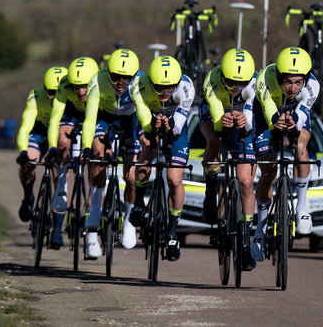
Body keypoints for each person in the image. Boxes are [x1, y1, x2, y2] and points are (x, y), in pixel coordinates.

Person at [251, 47, 321, 261]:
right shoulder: (263, 79)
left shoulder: (313, 86)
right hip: (265, 113)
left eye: (298, 82)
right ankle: (260, 229)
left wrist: (293, 123)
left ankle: (301, 207)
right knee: (268, 172)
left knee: (300, 145)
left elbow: (301, 114)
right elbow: (267, 107)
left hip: (293, 113)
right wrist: (275, 119)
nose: (293, 88)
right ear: (279, 76)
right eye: (288, 81)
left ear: (306, 79)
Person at [128, 55, 196, 262]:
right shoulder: (137, 86)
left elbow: (177, 129)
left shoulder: (186, 88)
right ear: (150, 83)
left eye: (169, 89)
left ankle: (173, 232)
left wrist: (169, 127)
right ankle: (139, 201)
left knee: (174, 180)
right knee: (148, 146)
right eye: (159, 88)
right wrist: (154, 126)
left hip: (175, 122)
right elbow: (143, 120)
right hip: (148, 117)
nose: (165, 93)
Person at [79, 48, 144, 257]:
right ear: (108, 73)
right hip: (104, 118)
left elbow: (143, 112)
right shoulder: (97, 81)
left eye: (126, 78)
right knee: (99, 157)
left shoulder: (140, 83)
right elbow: (89, 118)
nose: (120, 82)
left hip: (131, 121)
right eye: (115, 76)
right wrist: (87, 147)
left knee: (131, 176)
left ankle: (128, 221)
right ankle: (96, 210)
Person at [199, 48, 259, 270]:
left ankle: (245, 243)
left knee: (246, 182)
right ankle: (210, 192)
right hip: (216, 113)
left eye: (241, 83)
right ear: (222, 74)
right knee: (215, 140)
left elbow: (251, 120)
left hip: (244, 114)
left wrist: (244, 122)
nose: (236, 87)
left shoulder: (254, 84)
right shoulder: (211, 81)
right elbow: (216, 119)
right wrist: (222, 119)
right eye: (232, 82)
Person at [45, 56, 99, 249]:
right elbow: (54, 119)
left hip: (96, 113)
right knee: (62, 139)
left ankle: (94, 214)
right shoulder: (65, 86)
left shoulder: (99, 84)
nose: (80, 91)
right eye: (76, 87)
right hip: (73, 112)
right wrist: (53, 148)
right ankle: (61, 182)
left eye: (84, 86)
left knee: (98, 153)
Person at [15, 66, 67, 223]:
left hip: (60, 131)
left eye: (58, 93)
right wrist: (23, 152)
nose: (55, 97)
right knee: (28, 163)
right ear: (44, 89)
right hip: (40, 131)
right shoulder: (35, 95)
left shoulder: (72, 97)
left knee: (58, 174)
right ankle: (28, 196)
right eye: (51, 92)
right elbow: (25, 127)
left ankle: (55, 215)